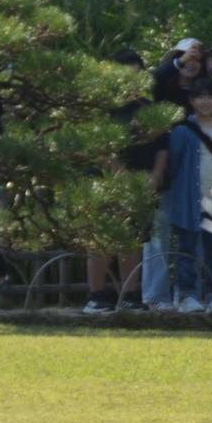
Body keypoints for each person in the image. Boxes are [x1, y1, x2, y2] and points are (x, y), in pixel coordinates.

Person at [82, 48, 159, 314]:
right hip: (104, 181)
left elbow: (162, 148)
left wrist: (154, 177)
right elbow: (98, 148)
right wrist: (122, 177)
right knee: (101, 239)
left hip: (141, 183)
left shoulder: (150, 109)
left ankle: (130, 294)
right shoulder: (102, 108)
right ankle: (96, 296)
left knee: (132, 240)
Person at [150, 81, 212, 312]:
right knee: (188, 249)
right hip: (190, 199)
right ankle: (188, 295)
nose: (205, 101)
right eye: (199, 97)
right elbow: (174, 165)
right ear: (191, 101)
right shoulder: (182, 130)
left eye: (210, 96)